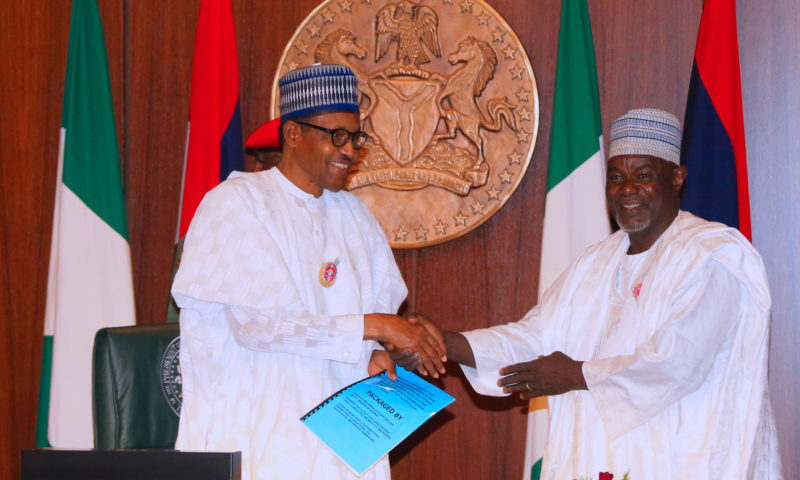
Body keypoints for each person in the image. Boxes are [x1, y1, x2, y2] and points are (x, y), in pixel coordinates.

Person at [386, 108, 783, 478]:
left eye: (644, 175)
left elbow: (679, 362)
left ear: (676, 177)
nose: (627, 189)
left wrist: (576, 374)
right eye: (615, 177)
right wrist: (443, 344)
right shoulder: (596, 261)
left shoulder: (714, 255)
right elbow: (536, 337)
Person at [171, 64, 445, 480]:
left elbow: (369, 329)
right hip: (262, 439)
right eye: (335, 135)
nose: (349, 149)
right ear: (293, 134)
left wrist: (383, 352)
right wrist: (377, 328)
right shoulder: (236, 205)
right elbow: (261, 327)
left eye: (354, 137)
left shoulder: (354, 215)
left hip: (345, 445)